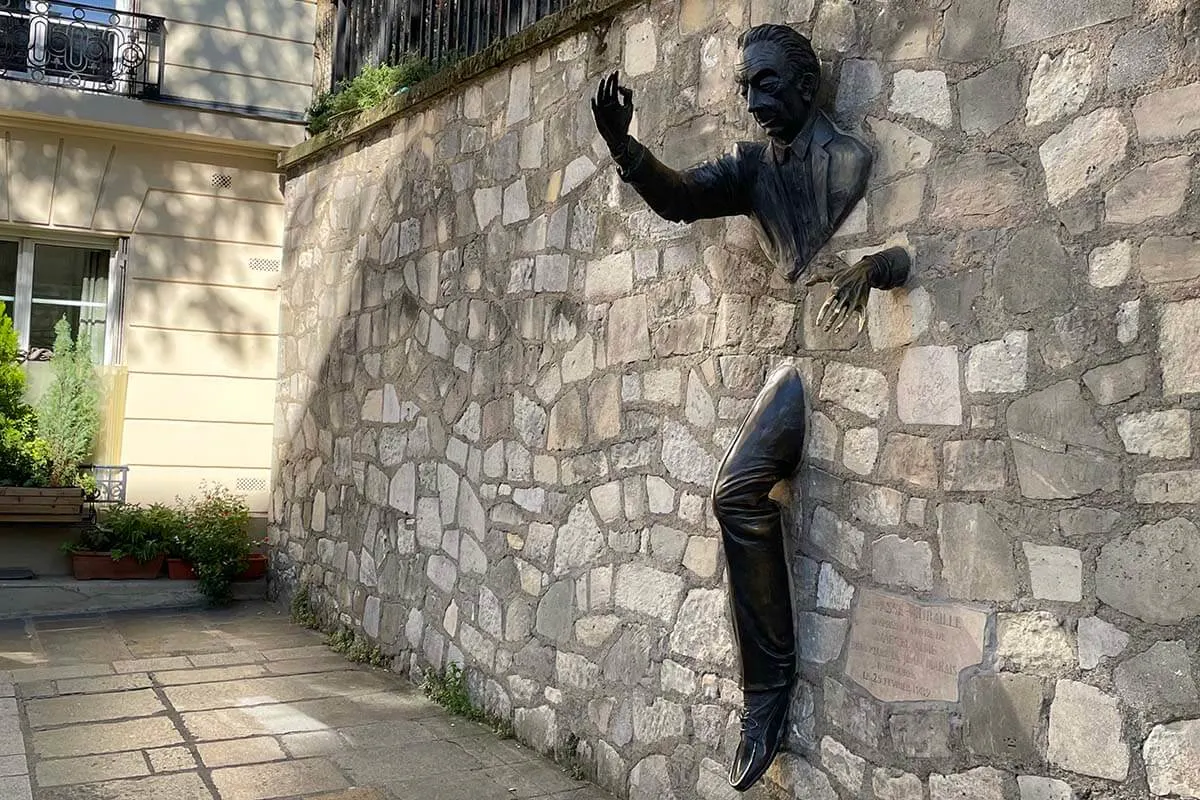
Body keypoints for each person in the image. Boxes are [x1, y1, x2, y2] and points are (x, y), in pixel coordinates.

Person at [591, 23, 909, 792]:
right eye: (743, 86)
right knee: (735, 493)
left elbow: (903, 259)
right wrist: (625, 149)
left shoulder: (851, 157)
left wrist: (876, 265)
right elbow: (679, 198)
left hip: (838, 371)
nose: (752, 99)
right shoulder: (749, 168)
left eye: (766, 83)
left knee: (735, 494)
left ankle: (766, 695)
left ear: (806, 85)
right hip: (796, 371)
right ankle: (765, 696)